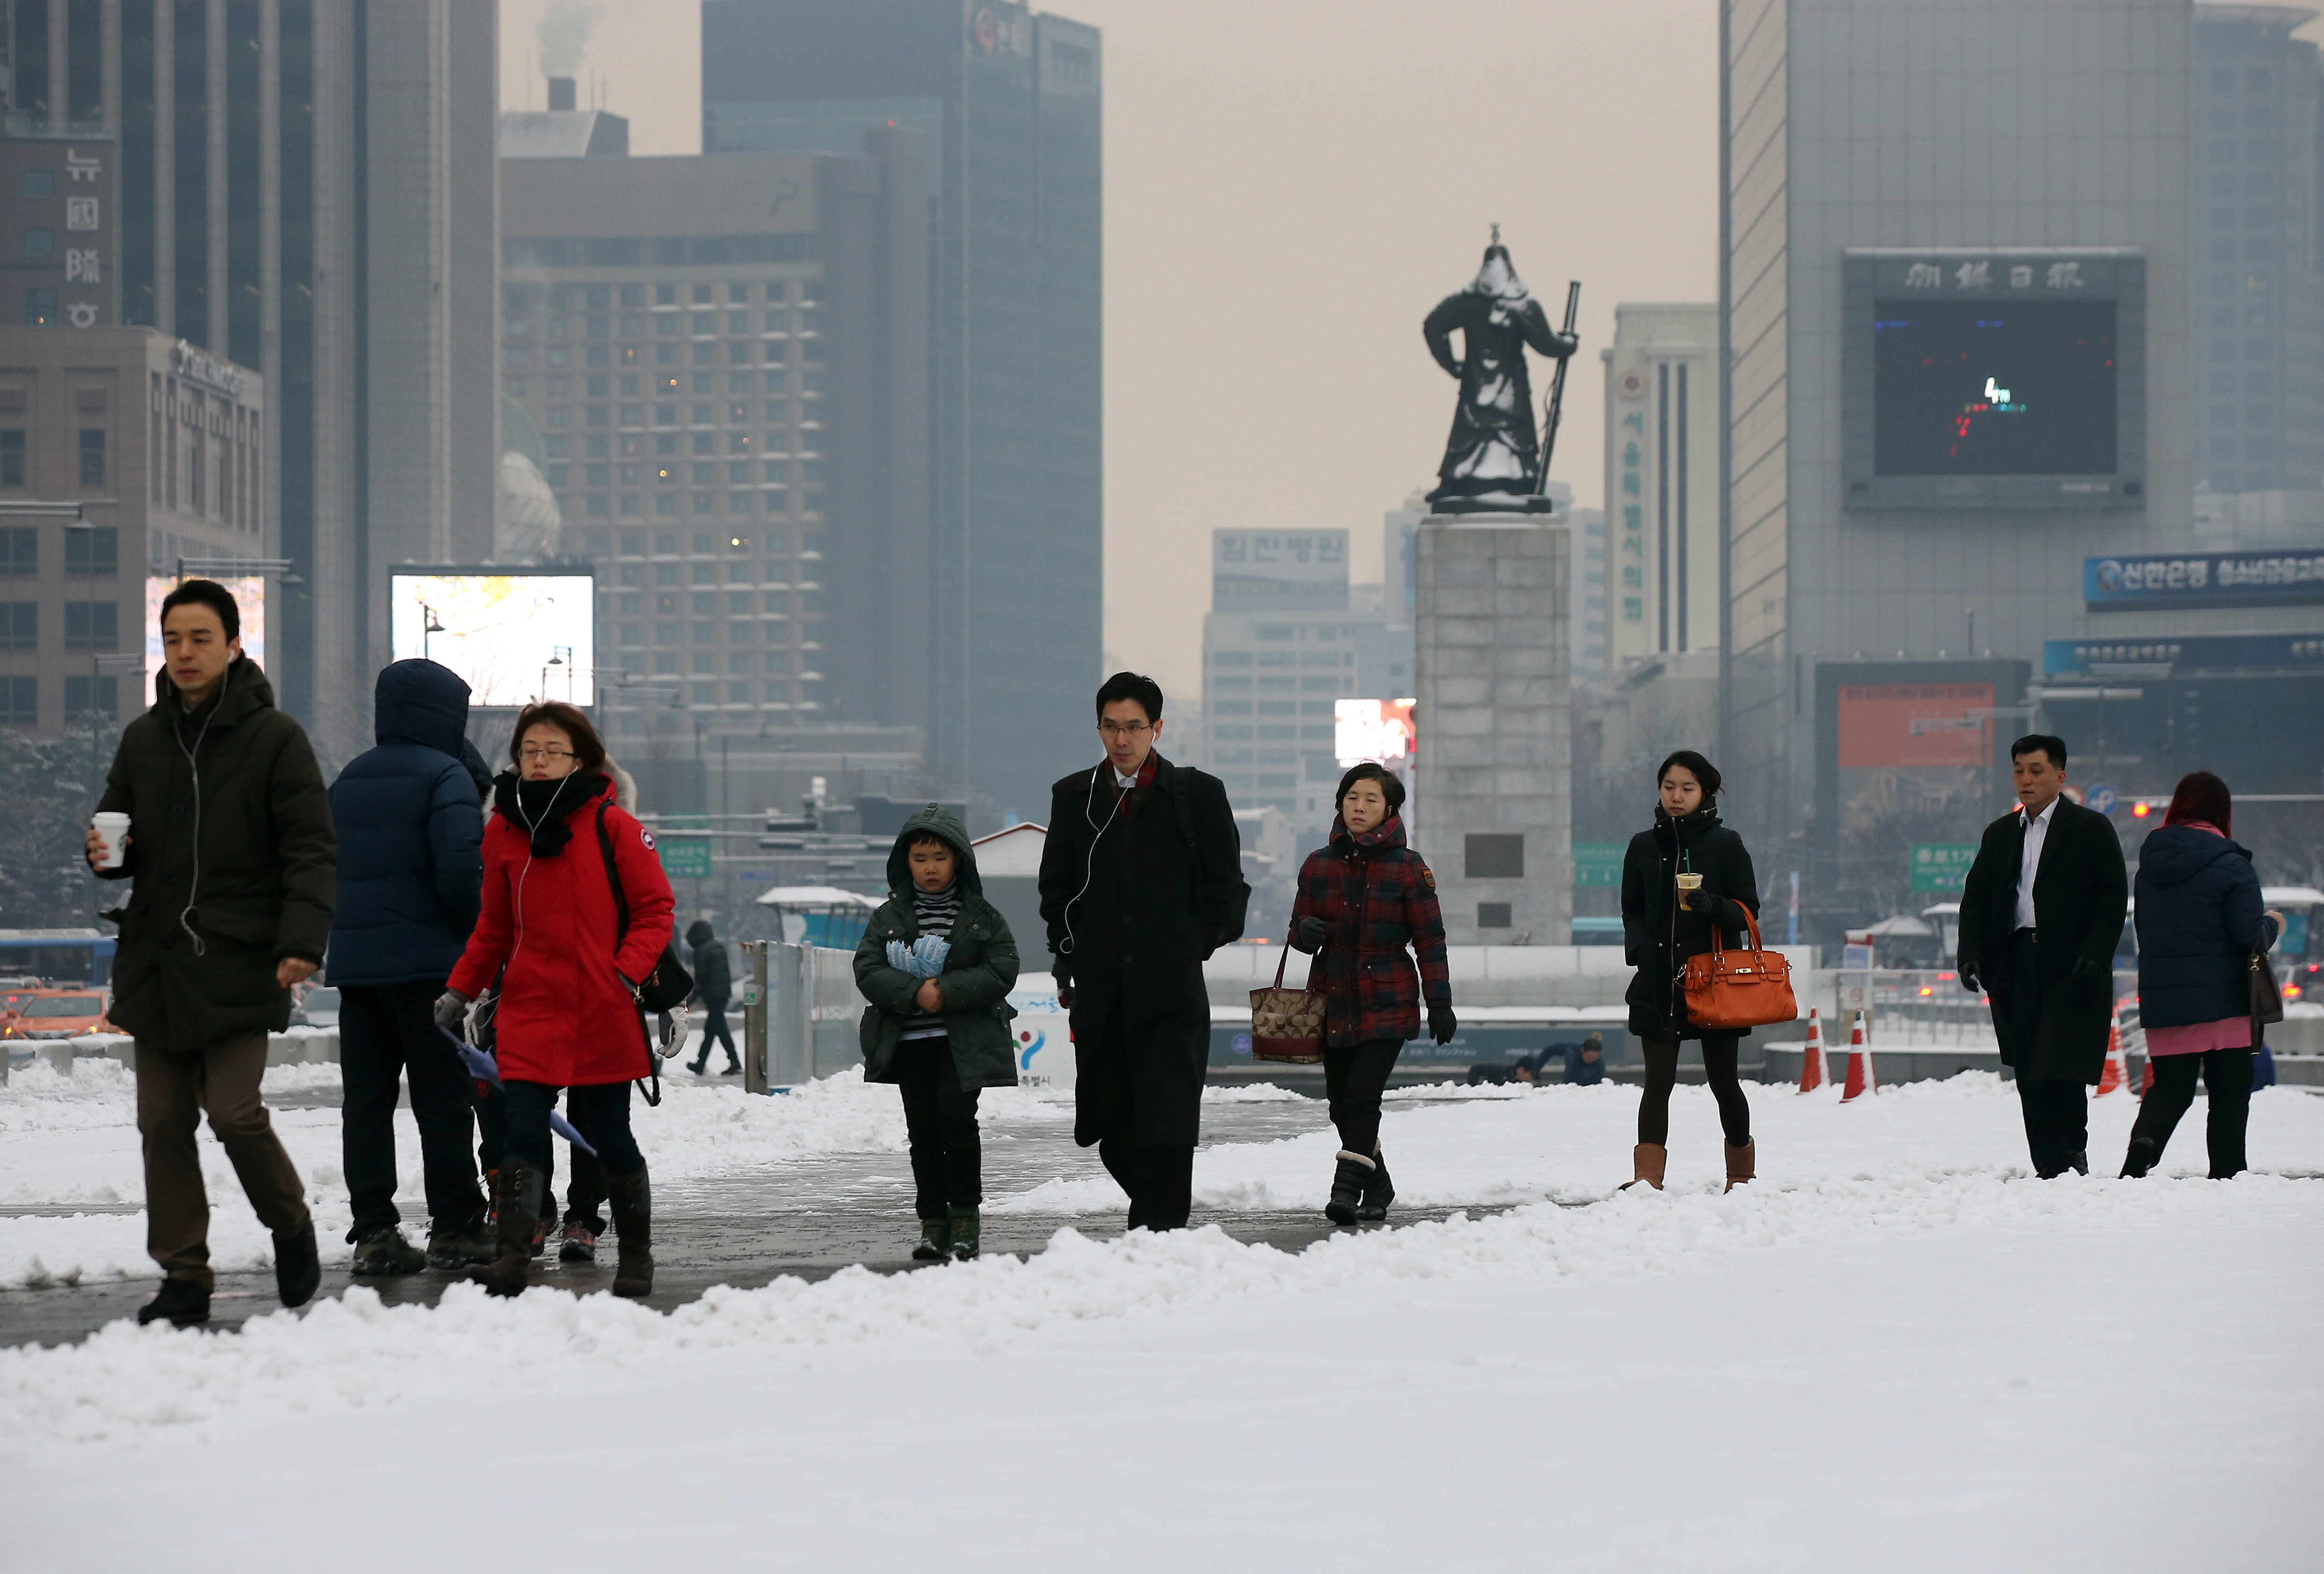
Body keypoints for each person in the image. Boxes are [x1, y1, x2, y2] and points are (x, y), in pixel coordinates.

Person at [87, 579, 333, 1328]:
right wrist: (105, 851)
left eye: (200, 639)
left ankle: (290, 1225)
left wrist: (300, 941)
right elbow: (117, 827)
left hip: (238, 959)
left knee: (233, 1112)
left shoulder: (275, 739)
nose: (185, 654)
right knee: (162, 1121)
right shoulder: (144, 738)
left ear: (234, 646)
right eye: (173, 640)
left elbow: (310, 850)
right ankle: (185, 1278)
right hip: (159, 963)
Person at [436, 702, 674, 1298]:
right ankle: (512, 1258)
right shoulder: (503, 832)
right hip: (531, 1009)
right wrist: (461, 988)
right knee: (518, 1134)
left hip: (602, 1008)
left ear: (581, 759)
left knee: (610, 1136)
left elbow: (655, 910)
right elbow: (493, 927)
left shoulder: (612, 825)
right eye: (529, 751)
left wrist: (626, 974)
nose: (538, 761)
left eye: (552, 751)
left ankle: (636, 1259)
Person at [1038, 673, 1249, 1232]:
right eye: (1111, 727)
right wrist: (1069, 954)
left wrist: (1190, 943)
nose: (1122, 739)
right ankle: (1157, 1221)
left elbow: (1228, 889)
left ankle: (1158, 1235)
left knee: (1170, 1118)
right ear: (1099, 729)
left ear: (1157, 728)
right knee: (1111, 1124)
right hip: (1102, 989)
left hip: (1171, 988)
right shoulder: (1073, 796)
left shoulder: (1196, 795)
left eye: (1134, 727)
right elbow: (1056, 890)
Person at [324, 659, 495, 1275]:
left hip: (358, 973)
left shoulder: (348, 778)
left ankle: (374, 1231)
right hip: (428, 973)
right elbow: (457, 873)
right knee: (442, 1101)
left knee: (365, 1104)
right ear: (446, 715)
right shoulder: (446, 776)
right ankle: (456, 1226)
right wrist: (471, 941)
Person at [853, 805, 1021, 1261]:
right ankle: (933, 1222)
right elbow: (867, 968)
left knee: (957, 1123)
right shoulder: (889, 915)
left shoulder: (980, 915)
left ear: (959, 861)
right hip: (909, 1044)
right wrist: (913, 993)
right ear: (906, 862)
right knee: (923, 1132)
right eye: (921, 857)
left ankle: (965, 1216)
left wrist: (945, 991)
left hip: (961, 1044)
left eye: (940, 858)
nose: (930, 868)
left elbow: (1003, 966)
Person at [1288, 762, 1452, 1225]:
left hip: (1387, 1000)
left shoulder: (1408, 868)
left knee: (1361, 1098)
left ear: (1390, 809)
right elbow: (1296, 935)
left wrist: (1440, 1004)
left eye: (1371, 800)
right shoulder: (1318, 864)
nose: (1360, 807)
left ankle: (1345, 1188)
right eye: (1352, 797)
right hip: (1333, 998)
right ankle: (1379, 1186)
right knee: (1341, 1104)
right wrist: (1306, 930)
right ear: (1341, 802)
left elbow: (1430, 940)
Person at [1957, 735, 2128, 1179]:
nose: (2026, 780)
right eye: (2018, 770)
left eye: (2036, 770)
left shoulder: (2090, 829)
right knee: (2029, 1068)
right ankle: (2046, 1163)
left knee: (2063, 1064)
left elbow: (2113, 898)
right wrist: (1972, 955)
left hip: (2070, 965)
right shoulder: (2000, 835)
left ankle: (2071, 1152)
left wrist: (2096, 954)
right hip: (2015, 964)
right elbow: (1975, 899)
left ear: (2060, 775)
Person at [2120, 772, 2280, 1179]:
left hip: (2165, 1001)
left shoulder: (2149, 868)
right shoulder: (2231, 864)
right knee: (2229, 1090)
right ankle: (2227, 1174)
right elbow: (2249, 936)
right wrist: (2272, 924)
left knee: (2170, 1089)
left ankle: (2144, 1147)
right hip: (2224, 1002)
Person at [1619, 750, 1760, 1193]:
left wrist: (1711, 905)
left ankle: (1741, 1175)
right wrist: (1640, 950)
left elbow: (1748, 912)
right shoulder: (1644, 845)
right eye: (1669, 788)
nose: (1676, 797)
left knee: (1724, 1082)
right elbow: (1632, 908)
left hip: (1716, 981)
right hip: (1660, 981)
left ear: (1705, 793)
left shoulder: (1727, 844)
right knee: (1657, 1082)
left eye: (1687, 789)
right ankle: (1647, 1179)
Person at [685, 918, 740, 1076]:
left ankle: (735, 1061)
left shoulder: (701, 950)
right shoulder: (718, 946)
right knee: (711, 1030)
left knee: (721, 1029)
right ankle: (701, 1063)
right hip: (723, 994)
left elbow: (701, 977)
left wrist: (692, 998)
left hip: (713, 995)